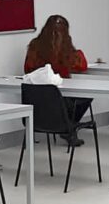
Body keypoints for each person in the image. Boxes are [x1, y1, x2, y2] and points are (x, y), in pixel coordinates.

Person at [24, 14, 90, 146]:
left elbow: (27, 68)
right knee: (86, 96)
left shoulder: (35, 45)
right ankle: (68, 127)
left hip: (37, 97)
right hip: (61, 95)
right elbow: (82, 65)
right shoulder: (66, 48)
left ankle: (67, 126)